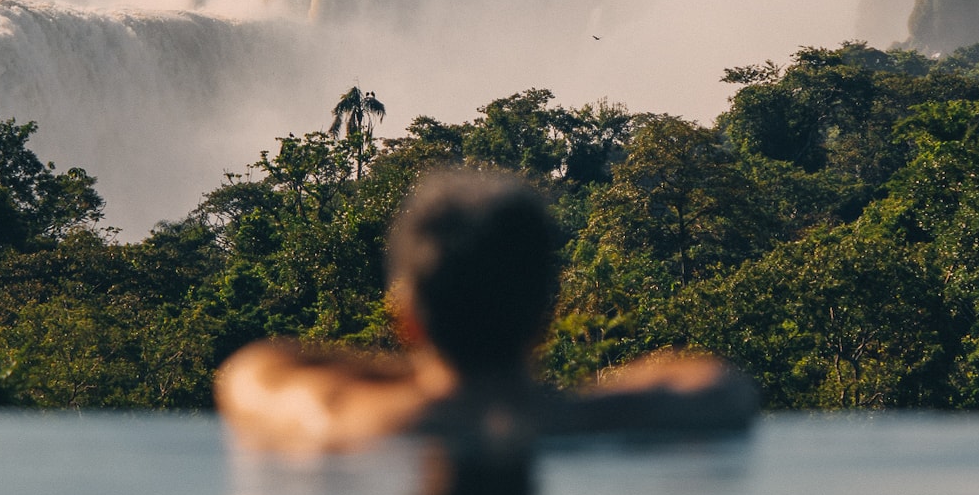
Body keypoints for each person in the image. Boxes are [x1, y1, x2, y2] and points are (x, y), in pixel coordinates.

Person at [215, 169, 759, 458]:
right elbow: (719, 382)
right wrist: (567, 394)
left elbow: (252, 369)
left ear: (408, 320)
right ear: (547, 316)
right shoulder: (590, 423)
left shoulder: (338, 415)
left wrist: (431, 372)